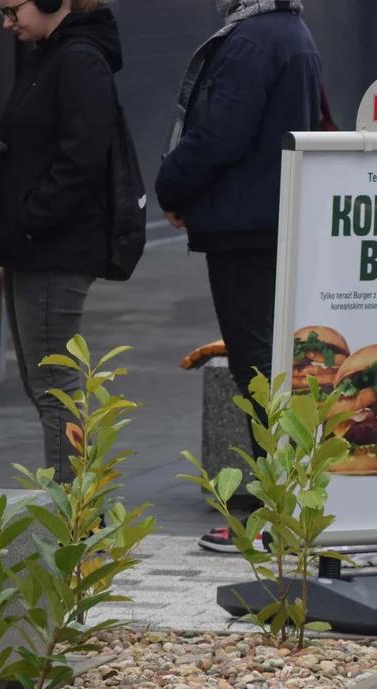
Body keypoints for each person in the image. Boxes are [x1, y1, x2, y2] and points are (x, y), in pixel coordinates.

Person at [154, 0, 323, 553]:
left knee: (259, 369)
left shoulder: (253, 41)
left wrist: (172, 186)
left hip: (246, 227)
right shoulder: (292, 31)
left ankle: (271, 516)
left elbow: (216, 135)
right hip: (270, 220)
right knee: (271, 365)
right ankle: (282, 505)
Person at [0, 0, 125, 484]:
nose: (7, 23)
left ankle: (74, 520)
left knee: (56, 387)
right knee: (45, 385)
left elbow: (82, 160)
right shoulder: (50, 54)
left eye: (12, 10)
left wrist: (31, 218)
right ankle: (75, 512)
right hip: (33, 244)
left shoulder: (78, 59)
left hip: (54, 248)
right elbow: (45, 146)